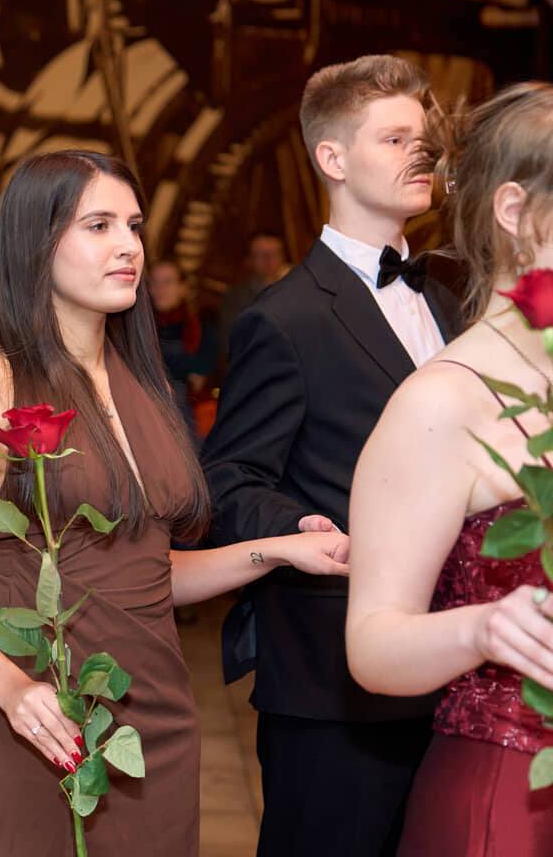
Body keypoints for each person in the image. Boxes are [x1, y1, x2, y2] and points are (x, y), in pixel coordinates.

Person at [0, 149, 350, 855]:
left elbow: (143, 573)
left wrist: (278, 551)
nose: (128, 246)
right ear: (36, 242)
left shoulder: (144, 382)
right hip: (35, 714)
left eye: (134, 227)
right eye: (99, 226)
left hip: (154, 717)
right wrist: (14, 691)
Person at [200, 54, 463, 857]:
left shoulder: (452, 296)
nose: (421, 155)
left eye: (424, 141)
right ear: (333, 158)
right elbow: (229, 479)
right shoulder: (284, 319)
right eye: (394, 139)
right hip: (333, 681)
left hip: (455, 667)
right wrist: (298, 528)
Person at [346, 81, 553, 855]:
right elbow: (372, 647)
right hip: (505, 805)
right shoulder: (439, 402)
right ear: (515, 212)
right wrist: (484, 628)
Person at [148, 260, 215, 439]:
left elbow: (205, 368)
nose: (160, 289)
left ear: (183, 288)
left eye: (167, 282)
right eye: (154, 282)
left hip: (190, 418)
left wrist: (164, 359)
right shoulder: (140, 328)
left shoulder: (200, 327)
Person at [216, 231, 287, 363]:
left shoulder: (294, 292)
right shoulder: (236, 297)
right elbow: (230, 343)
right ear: (249, 260)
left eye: (274, 253)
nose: (269, 260)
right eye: (262, 255)